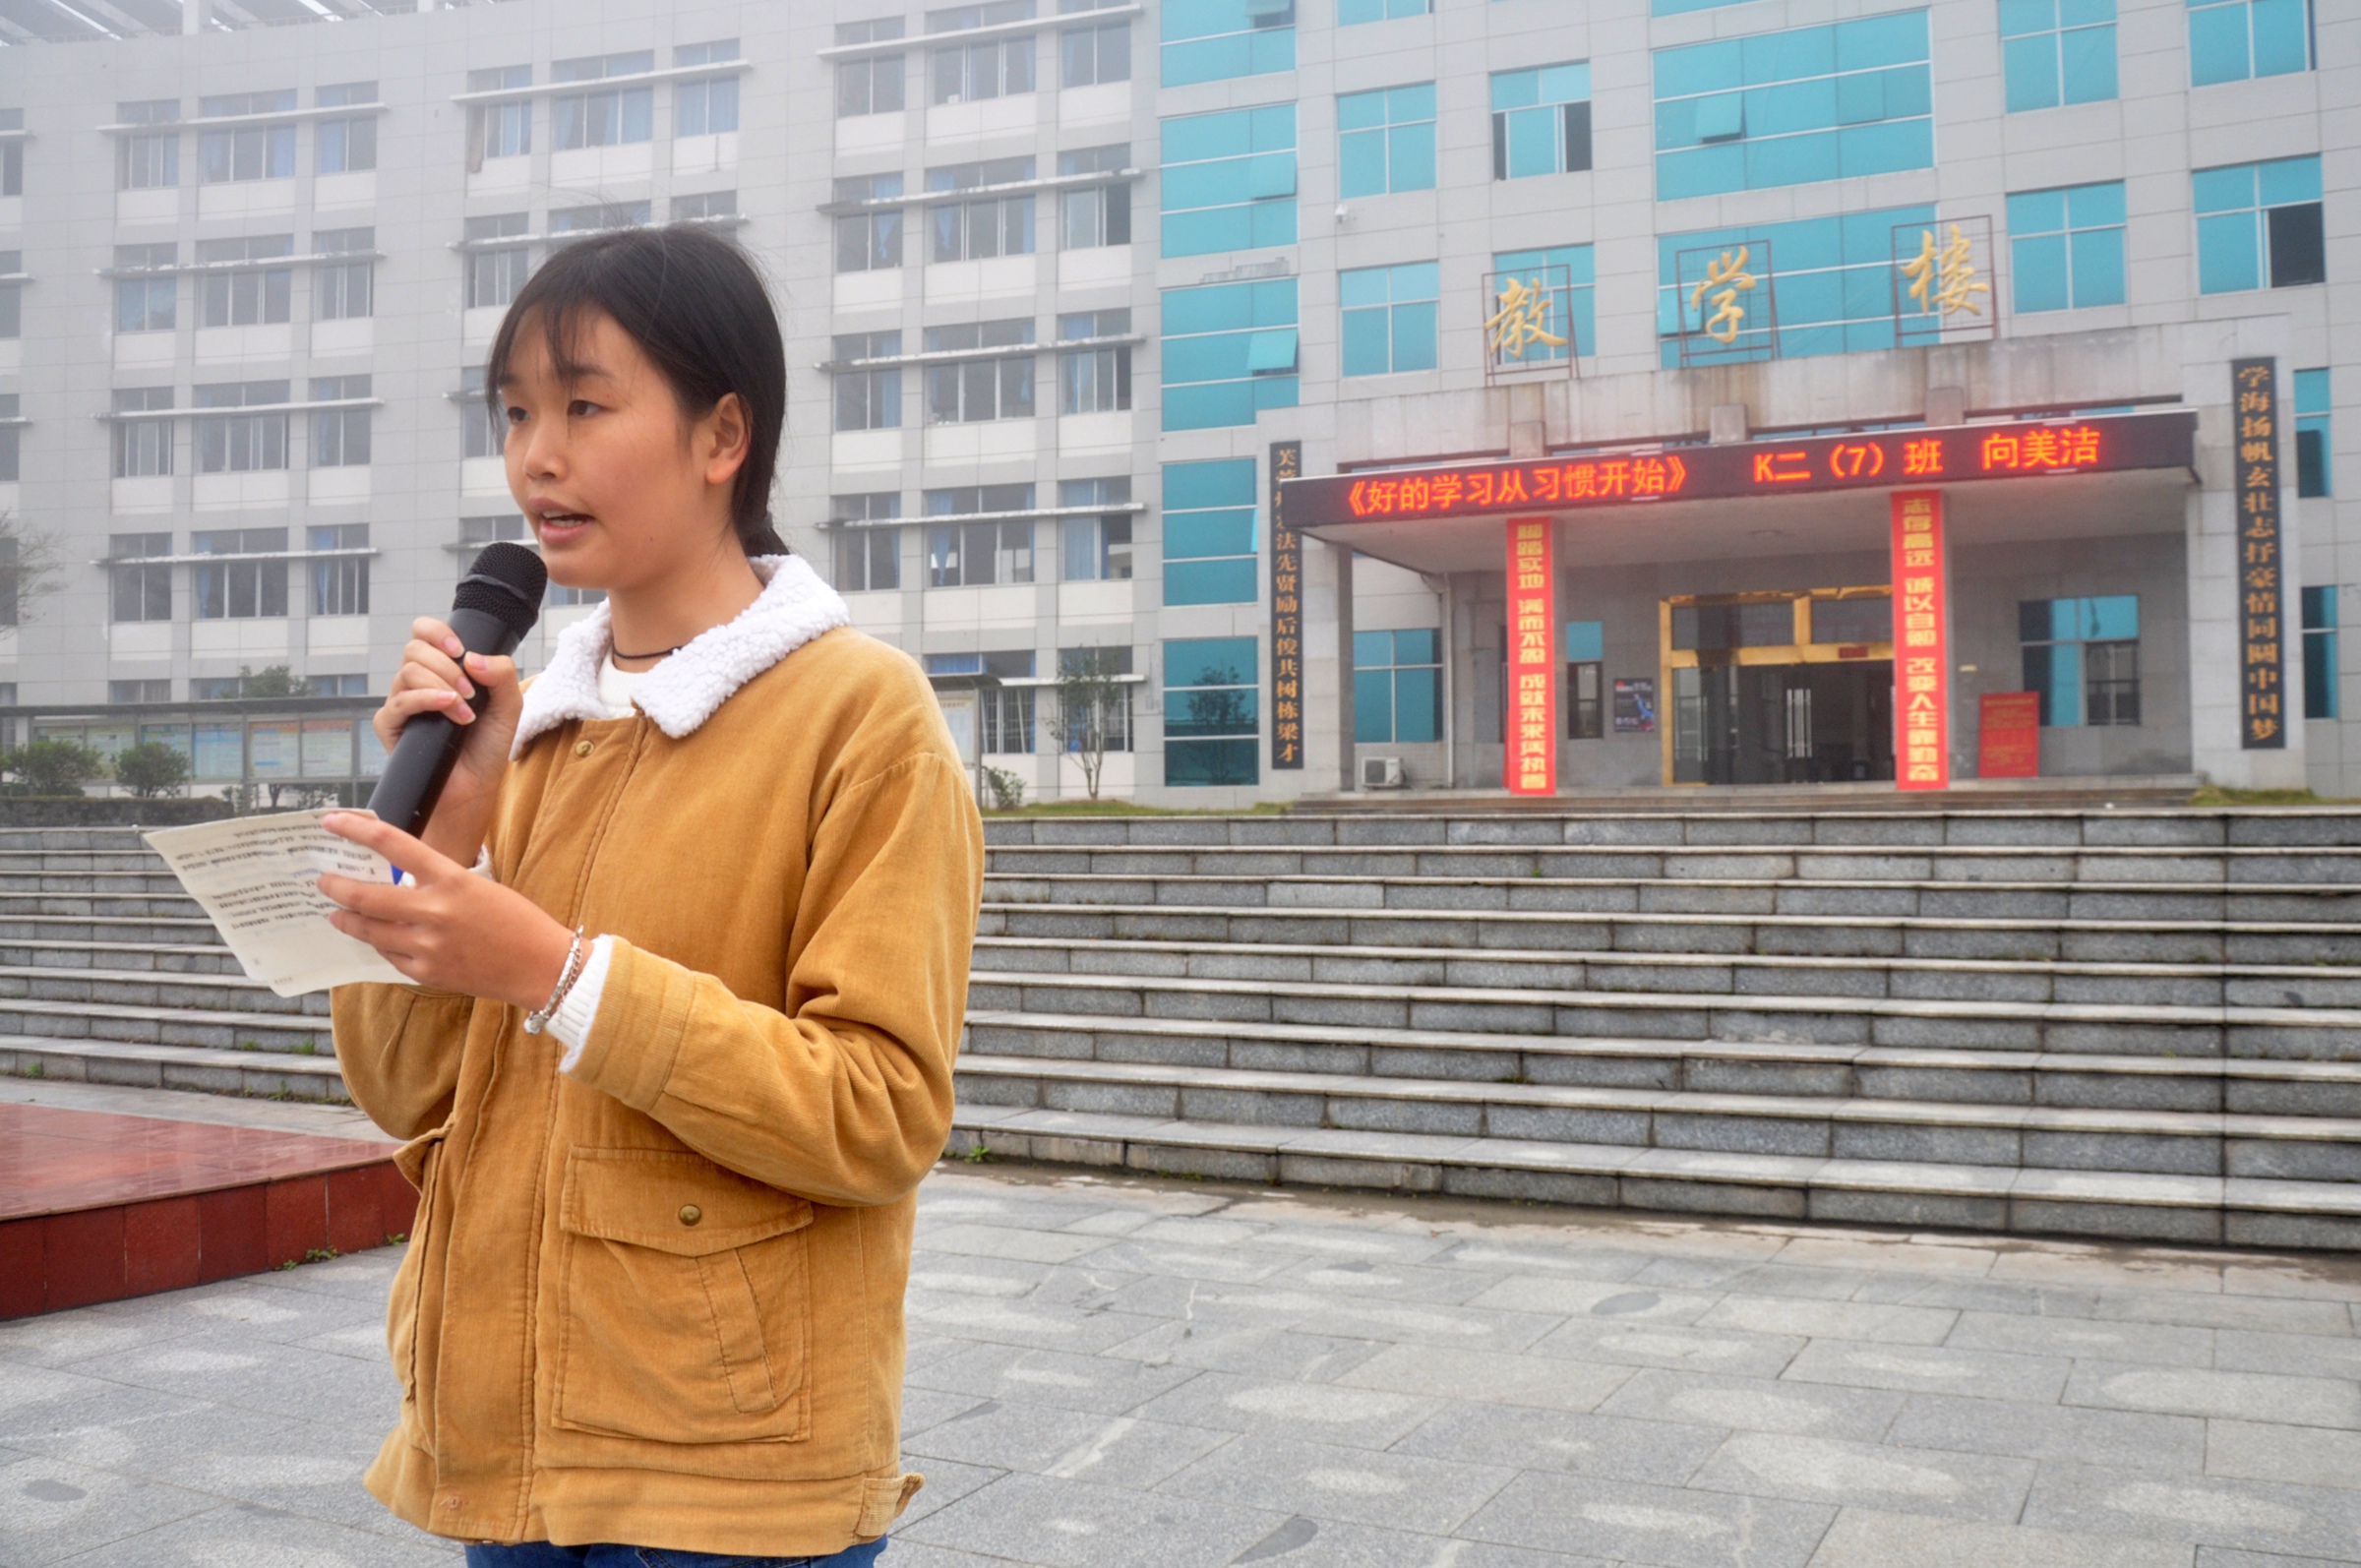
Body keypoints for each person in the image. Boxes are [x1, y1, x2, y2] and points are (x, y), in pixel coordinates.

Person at [319, 224, 982, 1567]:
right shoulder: (528, 730)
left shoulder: (863, 716)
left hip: (725, 1478)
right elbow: (404, 1092)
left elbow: (878, 1113)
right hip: (505, 1448)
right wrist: (453, 827)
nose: (536, 457)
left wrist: (562, 976)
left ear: (722, 434)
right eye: (516, 413)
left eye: (584, 406)